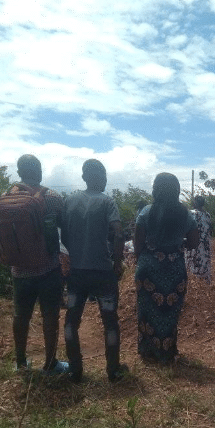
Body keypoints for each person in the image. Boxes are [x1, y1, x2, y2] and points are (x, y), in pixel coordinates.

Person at [0, 155, 68, 374]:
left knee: (21, 315)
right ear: (39, 170)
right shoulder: (51, 197)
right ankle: (50, 363)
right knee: (50, 315)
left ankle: (20, 363)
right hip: (48, 267)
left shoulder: (5, 196)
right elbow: (64, 226)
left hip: (19, 269)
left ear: (19, 172)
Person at [62, 159, 127, 383]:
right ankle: (113, 370)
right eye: (104, 175)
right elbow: (119, 233)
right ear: (100, 178)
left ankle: (75, 371)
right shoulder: (107, 202)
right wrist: (117, 263)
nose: (106, 179)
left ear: (84, 177)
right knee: (110, 322)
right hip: (102, 272)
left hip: (76, 273)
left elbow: (62, 235)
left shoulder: (69, 201)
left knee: (71, 321)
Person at [134, 173, 199, 365]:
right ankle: (167, 352)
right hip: (174, 268)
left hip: (148, 268)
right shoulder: (186, 214)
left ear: (156, 189)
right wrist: (177, 244)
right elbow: (194, 243)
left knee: (146, 311)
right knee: (170, 313)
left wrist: (146, 258)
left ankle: (148, 351)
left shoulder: (146, 212)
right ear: (176, 190)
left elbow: (137, 244)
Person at [185, 195, 212, 284]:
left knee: (193, 264)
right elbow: (210, 230)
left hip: (194, 243)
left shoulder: (191, 213)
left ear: (195, 203)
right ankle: (205, 284)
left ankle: (194, 284)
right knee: (205, 263)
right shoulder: (207, 215)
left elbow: (186, 228)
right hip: (206, 244)